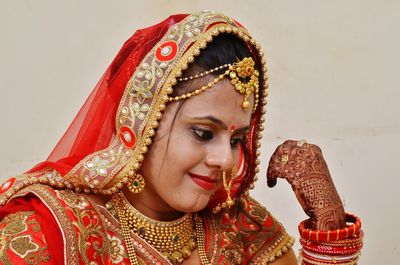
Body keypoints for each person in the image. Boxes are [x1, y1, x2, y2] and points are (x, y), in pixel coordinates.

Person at [0, 11, 362, 264]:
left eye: (236, 139)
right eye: (204, 133)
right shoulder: (51, 230)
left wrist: (329, 224)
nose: (225, 159)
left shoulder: (241, 230)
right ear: (141, 124)